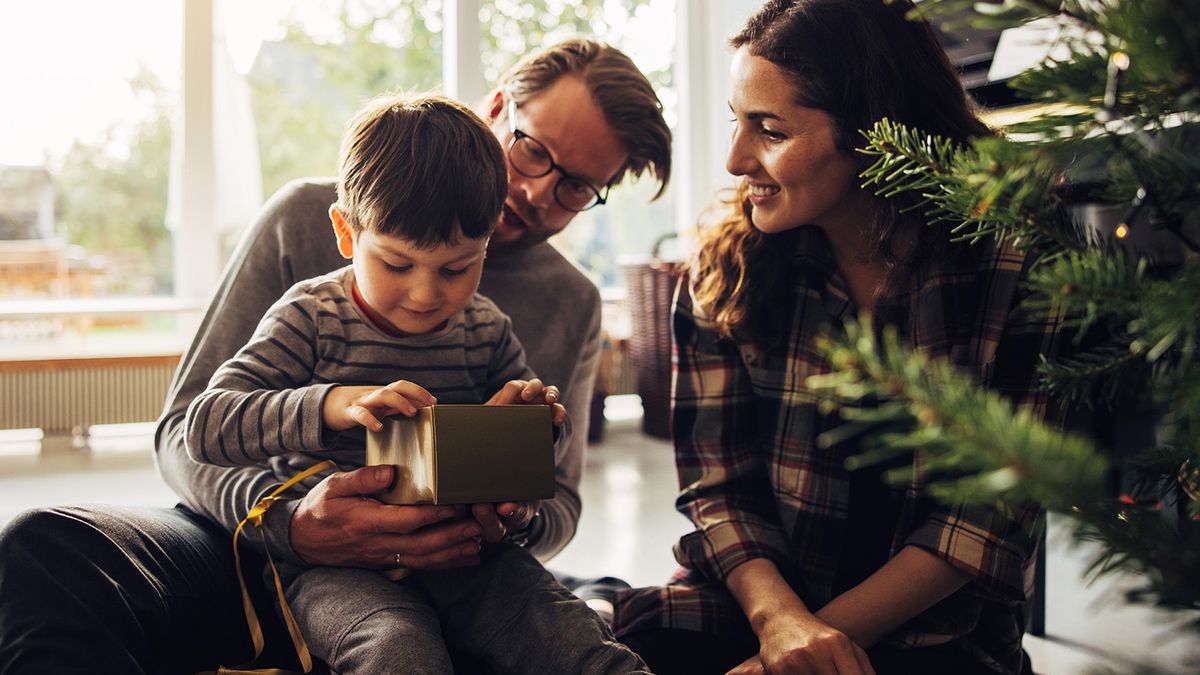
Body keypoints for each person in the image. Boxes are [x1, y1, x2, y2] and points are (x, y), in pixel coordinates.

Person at [0, 37, 670, 674]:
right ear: (497, 108)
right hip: (260, 545)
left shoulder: (551, 307)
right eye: (533, 152)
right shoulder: (308, 238)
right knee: (47, 547)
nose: (536, 192)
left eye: (577, 186)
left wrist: (511, 506)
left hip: (462, 565)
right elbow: (187, 432)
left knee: (575, 629)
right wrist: (294, 525)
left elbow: (556, 501)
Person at [611, 2, 1064, 674]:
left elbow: (985, 519)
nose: (735, 159)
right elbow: (718, 488)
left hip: (936, 635)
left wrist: (804, 652)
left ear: (873, 133)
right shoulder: (724, 267)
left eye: (770, 130)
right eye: (737, 121)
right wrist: (782, 626)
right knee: (592, 634)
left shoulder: (1017, 261)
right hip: (755, 605)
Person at [180, 92, 645, 674]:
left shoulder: (485, 328)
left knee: (574, 638)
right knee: (396, 647)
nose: (426, 295)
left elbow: (546, 459)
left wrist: (532, 423)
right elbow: (204, 426)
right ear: (346, 232)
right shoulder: (310, 318)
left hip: (467, 558)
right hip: (335, 569)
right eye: (397, 264)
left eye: (458, 268)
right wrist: (330, 406)